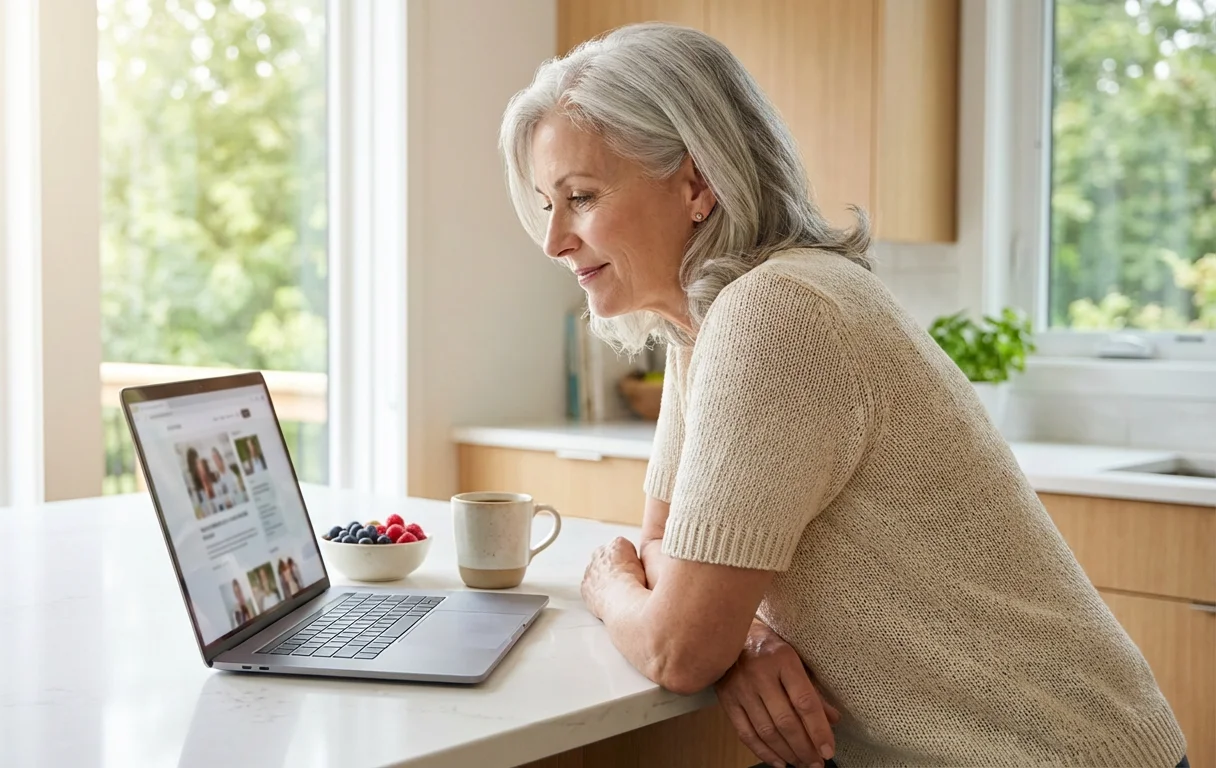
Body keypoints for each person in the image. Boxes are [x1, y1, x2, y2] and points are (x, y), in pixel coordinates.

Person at [498, 22, 1187, 767]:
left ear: (697, 185)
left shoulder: (778, 315)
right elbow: (674, 563)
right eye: (547, 204)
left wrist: (608, 586)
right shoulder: (706, 325)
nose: (554, 240)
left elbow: (675, 644)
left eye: (583, 197)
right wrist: (745, 640)